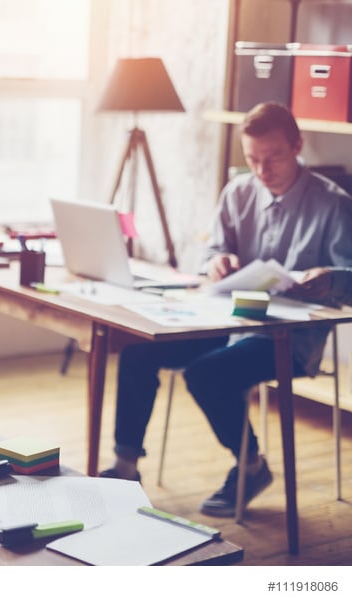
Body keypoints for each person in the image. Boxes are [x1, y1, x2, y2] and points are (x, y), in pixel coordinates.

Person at [99, 102, 352, 517]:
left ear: (298, 146)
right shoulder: (237, 191)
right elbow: (213, 249)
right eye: (253, 158)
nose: (262, 170)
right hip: (227, 320)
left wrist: (329, 277)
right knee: (137, 352)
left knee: (207, 374)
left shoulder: (334, 204)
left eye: (273, 158)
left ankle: (251, 465)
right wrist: (215, 261)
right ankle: (126, 467)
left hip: (291, 337)